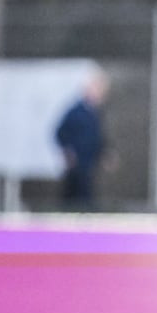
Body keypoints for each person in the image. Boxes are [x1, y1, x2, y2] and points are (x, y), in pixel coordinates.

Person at [55, 66, 110, 209]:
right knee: (75, 198)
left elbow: (97, 137)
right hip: (77, 164)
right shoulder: (76, 111)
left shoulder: (95, 113)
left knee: (84, 198)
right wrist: (68, 151)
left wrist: (104, 153)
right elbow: (60, 132)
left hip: (88, 163)